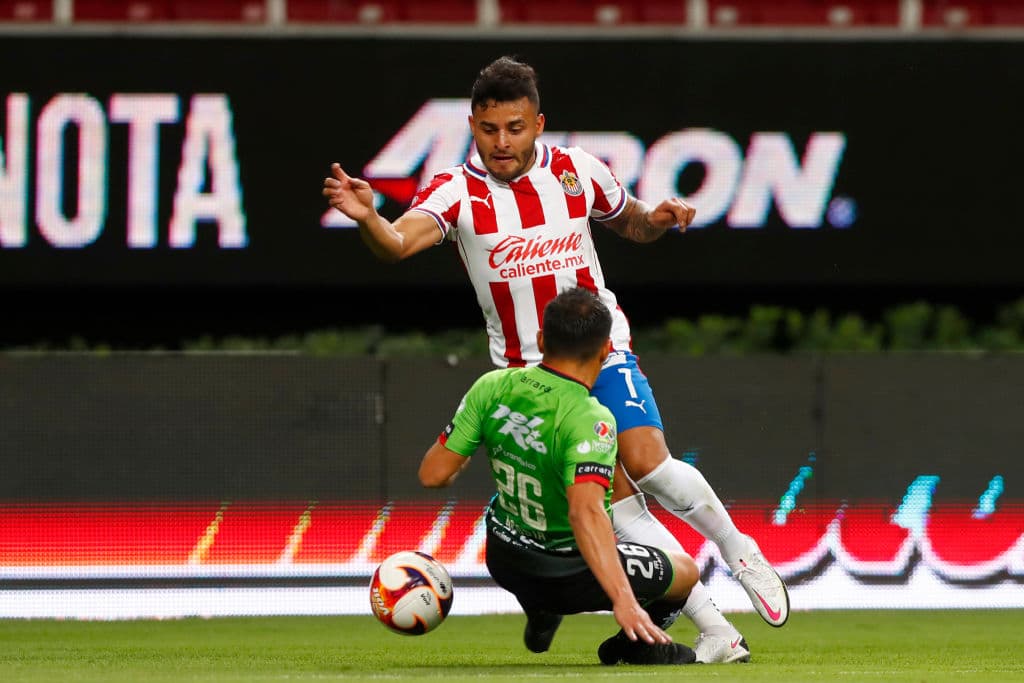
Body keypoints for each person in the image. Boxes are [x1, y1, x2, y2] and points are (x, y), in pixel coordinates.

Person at [323, 55, 788, 663]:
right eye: (489, 129)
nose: (501, 142)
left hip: (600, 351)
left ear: (538, 124)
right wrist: (368, 220)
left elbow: (632, 224)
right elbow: (396, 244)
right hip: (526, 378)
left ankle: (737, 548)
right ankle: (716, 631)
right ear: (472, 126)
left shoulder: (576, 171)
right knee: (615, 505)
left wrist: (659, 217)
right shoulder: (455, 190)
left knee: (646, 462)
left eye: (514, 128)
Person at [419, 287, 699, 664]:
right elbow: (586, 514)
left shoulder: (492, 386)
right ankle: (635, 644)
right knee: (686, 571)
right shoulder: (592, 419)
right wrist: (624, 601)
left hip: (504, 558)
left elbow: (433, 474)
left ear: (540, 339)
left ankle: (539, 611)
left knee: (539, 550)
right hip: (567, 577)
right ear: (605, 350)